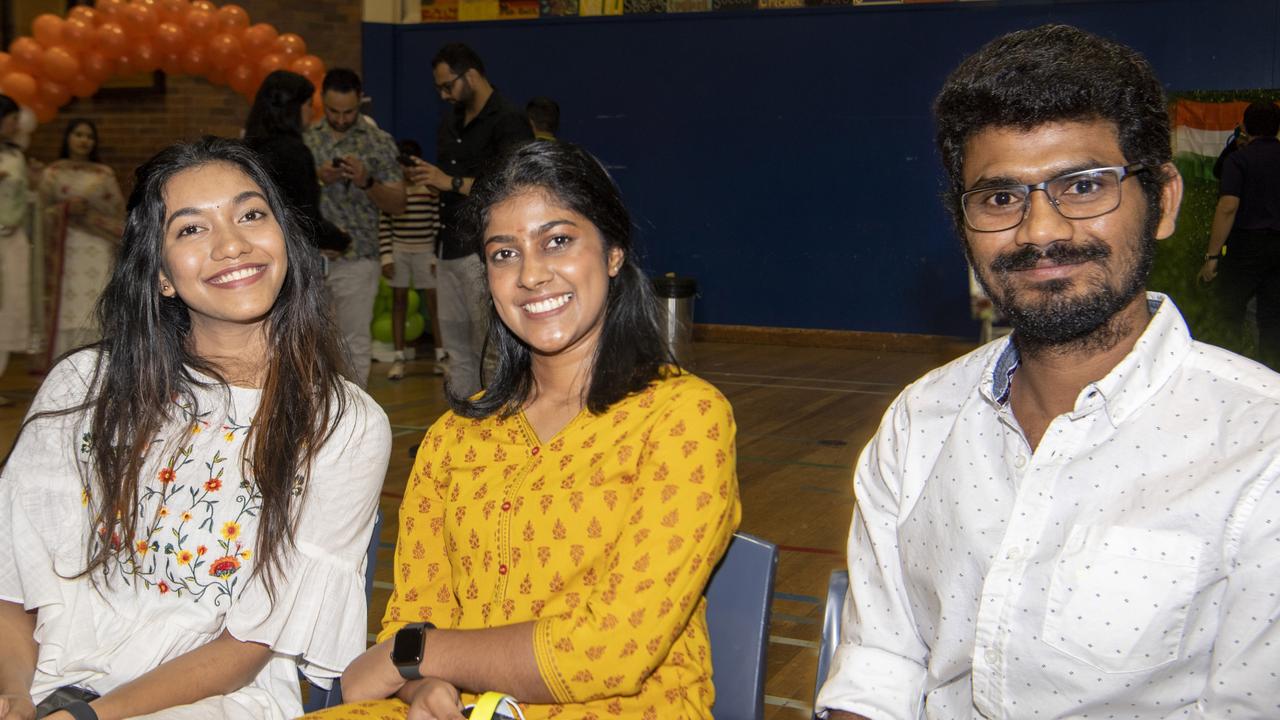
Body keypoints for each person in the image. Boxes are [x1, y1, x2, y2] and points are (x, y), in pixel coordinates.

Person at [817, 24, 1279, 719]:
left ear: (1165, 202)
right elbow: (881, 664)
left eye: (1084, 186)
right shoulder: (920, 421)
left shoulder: (1260, 448)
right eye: (1001, 198)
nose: (1039, 231)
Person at [308, 141, 740, 720]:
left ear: (613, 252)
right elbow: (411, 620)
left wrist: (422, 655)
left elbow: (611, 650)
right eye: (504, 253)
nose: (532, 274)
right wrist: (422, 687)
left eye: (557, 241)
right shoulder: (453, 439)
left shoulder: (683, 418)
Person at [0, 137, 392, 720]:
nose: (231, 244)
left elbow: (247, 647)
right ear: (159, 274)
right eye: (191, 229)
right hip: (44, 678)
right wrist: (15, 695)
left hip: (216, 698)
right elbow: (12, 580)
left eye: (251, 214)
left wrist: (87, 716)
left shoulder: (343, 424)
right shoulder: (83, 386)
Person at [403, 42, 533, 398]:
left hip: (485, 250)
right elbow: (450, 182)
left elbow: (514, 186)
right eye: (439, 88)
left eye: (448, 86)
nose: (444, 95)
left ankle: (498, 434)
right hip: (448, 245)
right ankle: (463, 433)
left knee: (492, 351)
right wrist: (434, 183)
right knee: (457, 352)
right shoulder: (451, 122)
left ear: (471, 75)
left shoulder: (509, 119)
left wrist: (451, 182)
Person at [304, 68, 406, 387]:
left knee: (354, 344)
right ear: (323, 101)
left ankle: (354, 423)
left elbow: (398, 204)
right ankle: (317, 421)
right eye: (335, 111)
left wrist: (366, 180)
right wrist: (317, 177)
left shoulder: (378, 141)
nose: (343, 118)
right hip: (311, 257)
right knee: (311, 345)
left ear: (360, 102)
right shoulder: (306, 140)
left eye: (350, 111)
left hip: (359, 256)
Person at [37, 119, 125, 368]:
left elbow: (118, 215)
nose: (84, 140)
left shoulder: (103, 174)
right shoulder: (52, 173)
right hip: (65, 250)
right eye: (78, 134)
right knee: (69, 305)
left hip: (98, 247)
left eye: (89, 136)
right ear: (67, 138)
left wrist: (90, 216)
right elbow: (40, 214)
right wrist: (65, 210)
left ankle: (96, 366)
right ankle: (62, 366)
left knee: (94, 301)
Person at [1199, 101, 1280, 369]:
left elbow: (1228, 206)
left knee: (1228, 314)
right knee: (1273, 320)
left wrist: (1212, 256)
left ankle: (1230, 377)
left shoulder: (1239, 159)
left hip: (1245, 246)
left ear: (1244, 126)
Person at [244, 70, 351, 260]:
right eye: (309, 105)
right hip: (289, 256)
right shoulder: (293, 152)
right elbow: (305, 220)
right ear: (294, 109)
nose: (312, 111)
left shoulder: (247, 147)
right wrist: (340, 238)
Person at [380, 139, 442, 381]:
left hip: (426, 250)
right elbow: (384, 224)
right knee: (399, 302)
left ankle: (441, 356)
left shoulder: (429, 187)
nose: (407, 169)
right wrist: (386, 256)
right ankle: (399, 358)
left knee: (434, 304)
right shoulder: (392, 188)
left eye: (411, 162)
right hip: (399, 250)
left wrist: (435, 255)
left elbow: (438, 223)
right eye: (402, 163)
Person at [0, 95, 32, 408]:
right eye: (11, 118)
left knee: (8, 308)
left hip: (12, 241)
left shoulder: (15, 155)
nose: (16, 125)